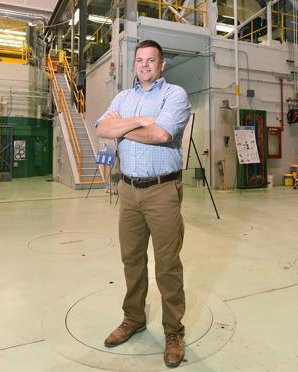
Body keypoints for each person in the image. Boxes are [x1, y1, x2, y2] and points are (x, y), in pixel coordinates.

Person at [96, 39, 191, 368]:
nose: (145, 65)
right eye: (140, 60)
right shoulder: (124, 97)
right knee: (131, 259)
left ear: (162, 64)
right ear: (134, 65)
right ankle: (133, 318)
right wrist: (140, 122)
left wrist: (123, 128)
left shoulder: (174, 95)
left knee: (167, 265)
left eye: (151, 60)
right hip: (128, 190)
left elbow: (162, 135)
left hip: (162, 190)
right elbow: (101, 127)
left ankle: (173, 331)